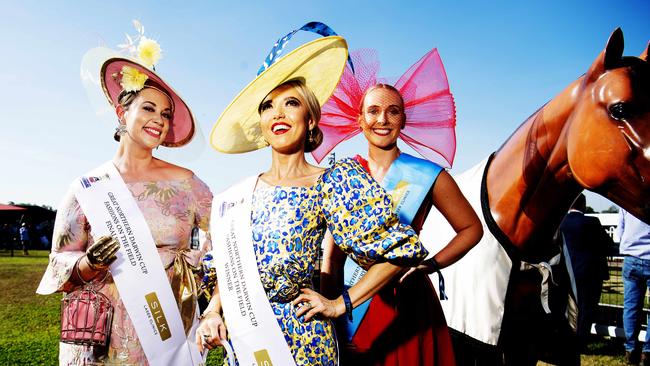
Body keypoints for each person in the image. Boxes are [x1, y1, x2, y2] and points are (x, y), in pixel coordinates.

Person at [196, 23, 429, 366]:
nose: (277, 113)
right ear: (261, 123)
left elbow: (399, 251)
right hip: (243, 344)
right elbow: (228, 272)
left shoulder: (334, 181)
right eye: (267, 106)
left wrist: (340, 303)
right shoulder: (238, 196)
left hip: (303, 343)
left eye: (290, 103)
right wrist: (213, 313)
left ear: (309, 121)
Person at [36, 23, 212, 365]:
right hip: (102, 330)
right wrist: (89, 263)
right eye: (148, 108)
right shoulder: (88, 187)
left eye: (165, 114)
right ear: (122, 113)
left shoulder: (187, 183)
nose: (158, 120)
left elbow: (225, 233)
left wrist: (196, 266)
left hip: (164, 327)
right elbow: (59, 260)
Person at [315, 49, 483, 365]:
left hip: (409, 302)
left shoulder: (429, 175)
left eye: (393, 112)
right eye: (374, 110)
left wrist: (431, 265)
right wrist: (331, 305)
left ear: (403, 120)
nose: (382, 119)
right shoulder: (343, 176)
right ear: (359, 118)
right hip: (352, 298)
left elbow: (472, 229)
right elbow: (332, 254)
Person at [559, 193, 612, 349]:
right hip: (590, 273)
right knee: (586, 308)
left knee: (566, 307)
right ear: (583, 205)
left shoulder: (561, 223)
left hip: (567, 273)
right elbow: (607, 244)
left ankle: (566, 338)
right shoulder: (592, 222)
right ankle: (581, 341)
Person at [618, 208, 650, 365]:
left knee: (630, 307)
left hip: (631, 257)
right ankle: (648, 351)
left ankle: (631, 349)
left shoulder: (626, 201)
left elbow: (619, 233)